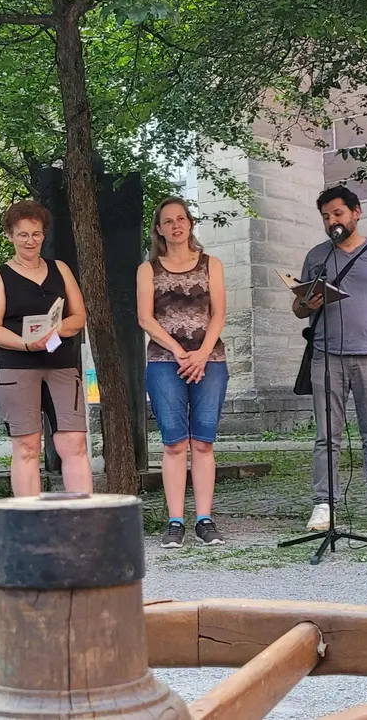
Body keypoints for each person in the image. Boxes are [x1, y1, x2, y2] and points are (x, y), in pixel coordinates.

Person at [292, 185, 367, 533]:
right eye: (327, 217)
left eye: (338, 213)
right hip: (326, 357)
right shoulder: (317, 255)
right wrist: (306, 303)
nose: (333, 221)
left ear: (356, 212)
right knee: (326, 435)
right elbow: (299, 308)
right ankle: (323, 504)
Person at [0, 201, 92, 496]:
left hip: (62, 364)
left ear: (43, 235)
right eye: (23, 235)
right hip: (17, 368)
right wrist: (26, 344)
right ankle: (29, 526)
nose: (30, 241)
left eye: (36, 234)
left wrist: (56, 331)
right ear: (10, 236)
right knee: (27, 446)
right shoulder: (0, 276)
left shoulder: (60, 269)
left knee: (74, 443)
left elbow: (78, 316)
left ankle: (83, 521)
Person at [138, 198, 229, 548]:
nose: (176, 225)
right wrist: (179, 353)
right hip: (164, 363)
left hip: (210, 362)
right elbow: (146, 318)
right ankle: (175, 521)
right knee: (175, 443)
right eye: (168, 221)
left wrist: (202, 355)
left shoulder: (212, 265)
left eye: (181, 219)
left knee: (203, 443)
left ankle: (204, 519)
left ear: (190, 223)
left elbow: (219, 313)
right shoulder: (148, 270)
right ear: (159, 229)